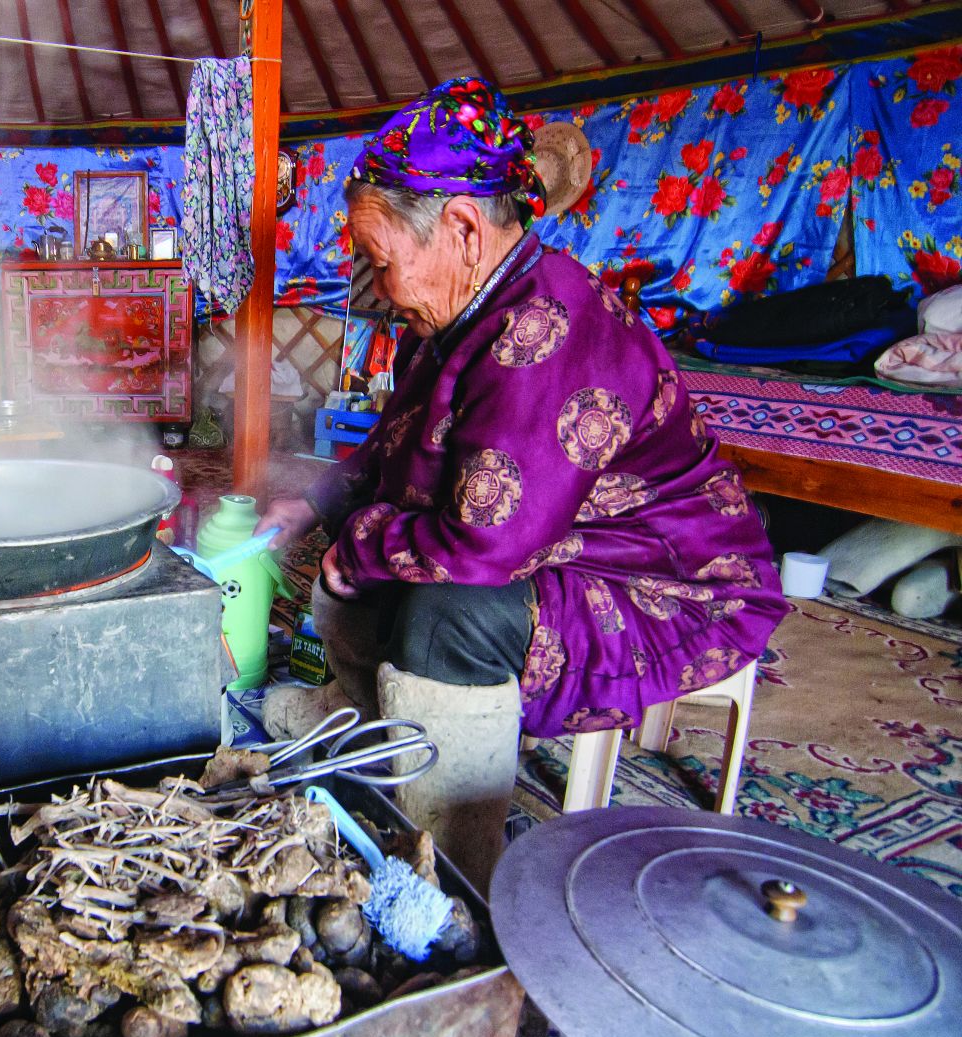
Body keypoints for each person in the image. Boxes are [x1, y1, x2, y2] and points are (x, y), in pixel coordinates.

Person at [255, 79, 785, 889]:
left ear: (462, 229)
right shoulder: (465, 310)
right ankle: (364, 716)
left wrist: (363, 546)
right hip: (554, 544)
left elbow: (484, 544)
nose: (377, 286)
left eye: (381, 261)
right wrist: (320, 503)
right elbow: (395, 439)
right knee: (380, 534)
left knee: (447, 612)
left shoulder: (551, 330)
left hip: (664, 582)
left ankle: (448, 860)